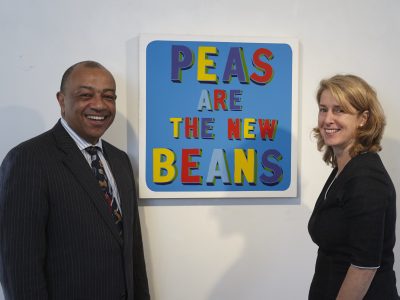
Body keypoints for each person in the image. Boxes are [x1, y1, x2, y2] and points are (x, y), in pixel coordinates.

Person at [0, 61, 150, 299]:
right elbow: (19, 267)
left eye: (108, 96)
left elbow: (133, 253)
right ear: (61, 100)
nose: (99, 105)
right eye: (85, 95)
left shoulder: (120, 161)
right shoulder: (28, 160)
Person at [308, 74, 399, 299]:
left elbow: (364, 267)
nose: (328, 119)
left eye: (339, 110)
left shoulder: (367, 178)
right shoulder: (345, 169)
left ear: (363, 118)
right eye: (323, 109)